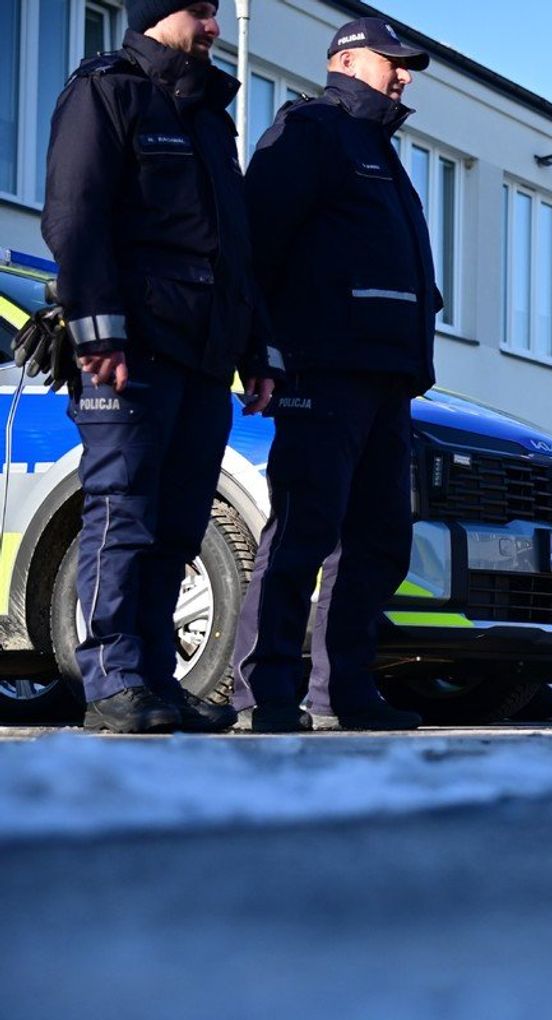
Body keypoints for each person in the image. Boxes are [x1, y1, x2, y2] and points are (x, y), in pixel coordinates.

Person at [41, 0, 281, 733]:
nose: (212, 28)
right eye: (198, 12)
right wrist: (98, 333)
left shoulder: (210, 116)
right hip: (132, 353)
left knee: (178, 526)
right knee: (125, 512)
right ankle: (111, 680)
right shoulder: (106, 90)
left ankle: (153, 681)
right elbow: (76, 217)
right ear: (154, 14)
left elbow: (235, 251)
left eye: (215, 13)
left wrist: (257, 350)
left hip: (204, 357)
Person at [229, 17, 437, 732]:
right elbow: (258, 248)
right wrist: (263, 351)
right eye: (392, 62)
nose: (402, 76)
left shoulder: (380, 150)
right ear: (346, 62)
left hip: (388, 376)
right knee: (304, 531)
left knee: (378, 540)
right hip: (324, 369)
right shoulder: (311, 131)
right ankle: (264, 694)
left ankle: (343, 692)